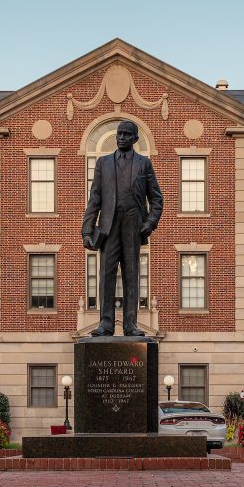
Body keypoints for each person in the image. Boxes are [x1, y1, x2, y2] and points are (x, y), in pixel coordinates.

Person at [81, 120, 164, 336]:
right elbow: (95, 199)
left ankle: (130, 325)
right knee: (106, 274)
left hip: (133, 226)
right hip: (108, 226)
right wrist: (87, 230)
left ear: (135, 139)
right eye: (119, 134)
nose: (122, 137)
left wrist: (150, 223)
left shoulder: (144, 164)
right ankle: (106, 323)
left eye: (127, 134)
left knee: (131, 274)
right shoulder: (103, 163)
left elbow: (156, 198)